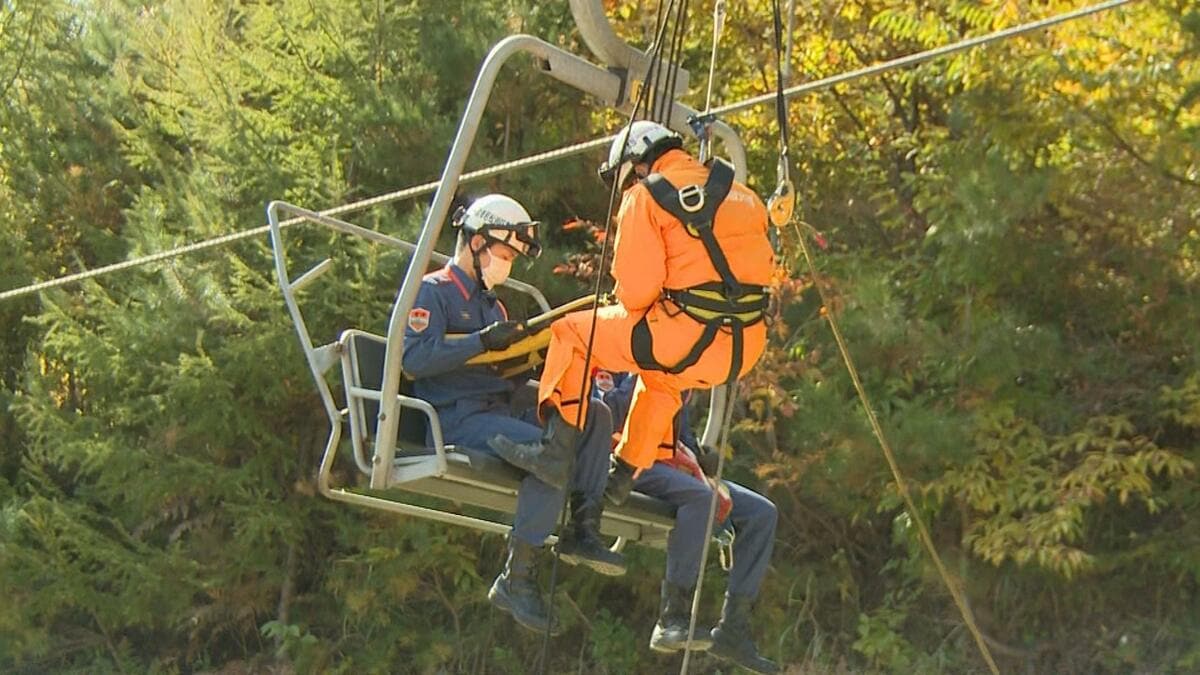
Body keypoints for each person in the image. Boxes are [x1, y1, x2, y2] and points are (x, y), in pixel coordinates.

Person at [401, 194, 625, 636]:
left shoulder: (494, 305)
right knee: (547, 455)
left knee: (592, 413)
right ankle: (516, 578)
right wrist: (482, 342)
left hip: (499, 406)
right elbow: (415, 360)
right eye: (504, 254)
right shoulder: (435, 290)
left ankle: (585, 525)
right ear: (477, 242)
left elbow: (500, 372)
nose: (506, 266)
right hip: (456, 417)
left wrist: (534, 356)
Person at [533, 120, 775, 503]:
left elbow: (635, 293)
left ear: (636, 165)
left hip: (688, 335)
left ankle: (554, 453)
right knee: (662, 377)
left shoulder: (645, 197)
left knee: (572, 333)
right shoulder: (746, 197)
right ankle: (622, 476)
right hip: (742, 349)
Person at [598, 372, 780, 674]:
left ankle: (733, 628)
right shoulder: (615, 353)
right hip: (624, 463)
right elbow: (606, 412)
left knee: (762, 514)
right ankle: (672, 617)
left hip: (669, 465)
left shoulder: (676, 367)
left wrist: (695, 453)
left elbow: (675, 431)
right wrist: (644, 375)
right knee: (700, 498)